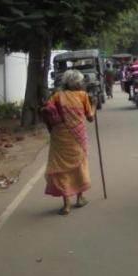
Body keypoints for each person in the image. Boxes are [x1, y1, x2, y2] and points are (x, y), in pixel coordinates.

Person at [40, 70, 94, 216]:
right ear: (76, 82)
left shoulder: (57, 95)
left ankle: (66, 205)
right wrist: (93, 105)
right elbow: (90, 118)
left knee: (62, 169)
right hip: (77, 137)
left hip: (59, 136)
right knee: (79, 165)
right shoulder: (82, 95)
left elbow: (46, 111)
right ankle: (80, 198)